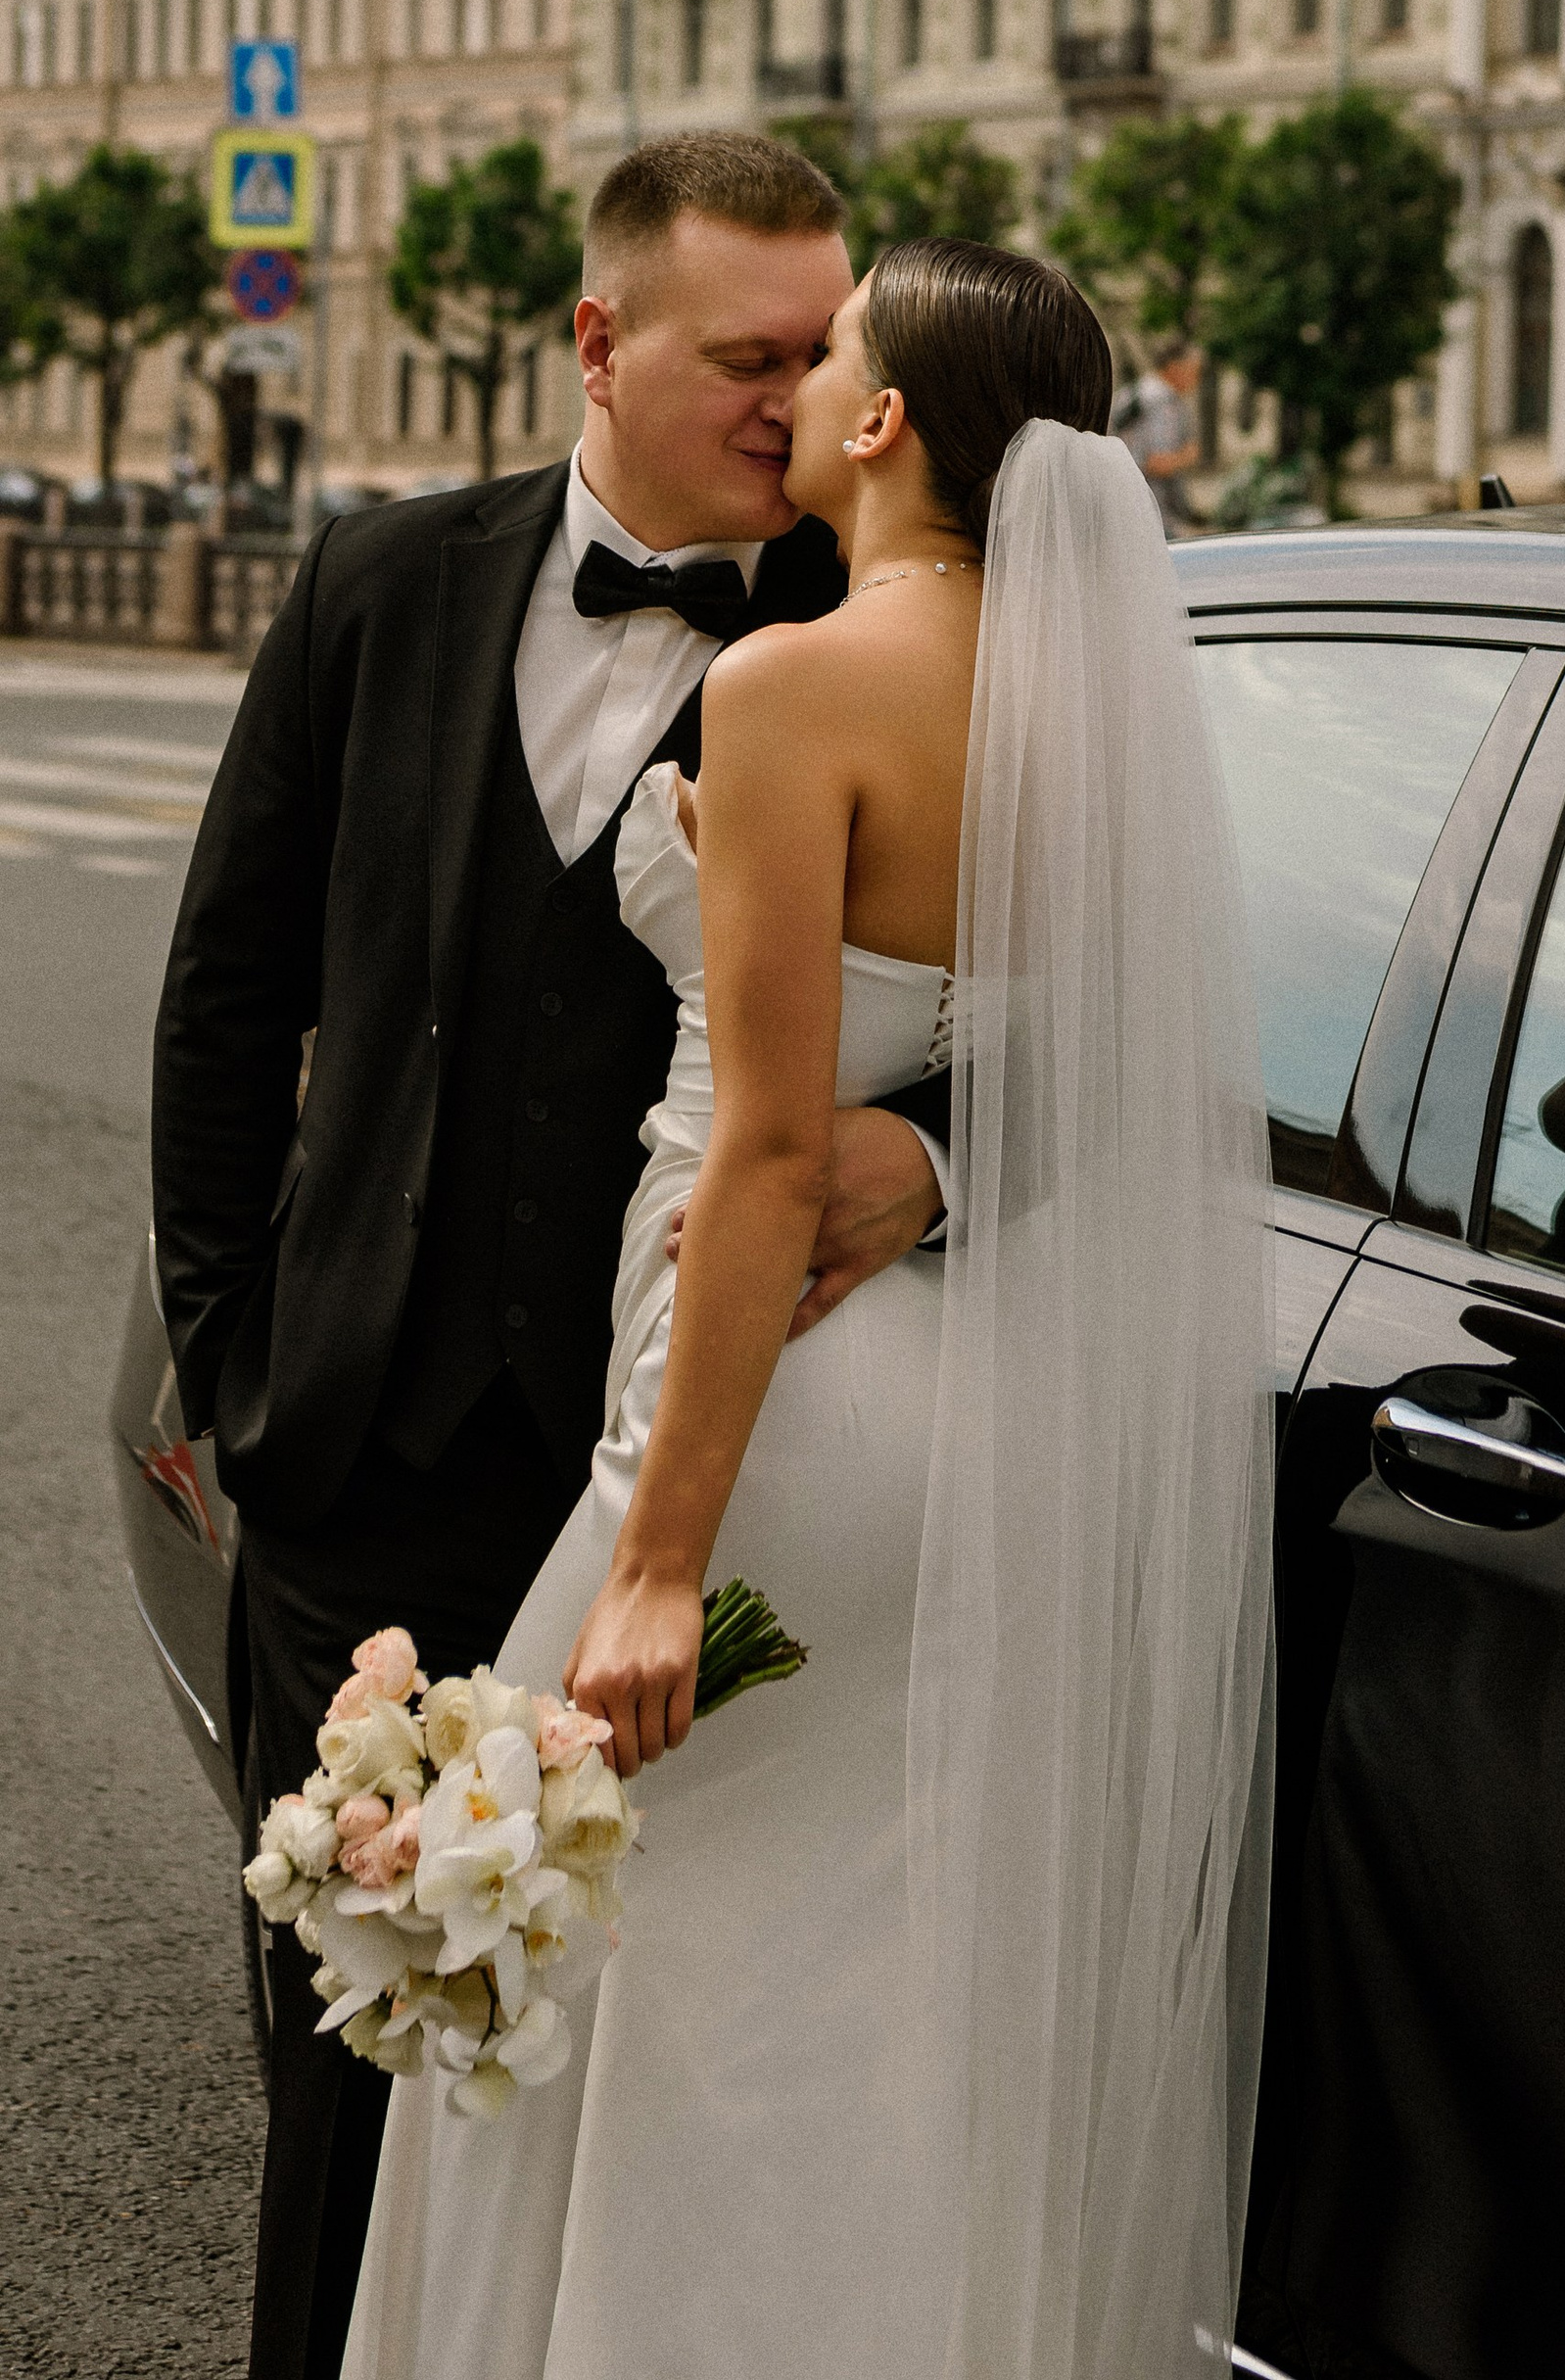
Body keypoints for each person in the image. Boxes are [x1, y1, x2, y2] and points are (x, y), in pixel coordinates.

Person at [342, 239, 1273, 2380]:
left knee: (646, 1954)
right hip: (1003, 1394)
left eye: (828, 356)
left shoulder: (789, 690)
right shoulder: (1094, 713)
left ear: (879, 426)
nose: (792, 392)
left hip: (785, 1398)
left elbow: (767, 1159)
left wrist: (662, 1560)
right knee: (893, 1979)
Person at [154, 132, 951, 2380]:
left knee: (656, 2082)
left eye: (825, 354)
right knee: (354, 2059)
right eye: (746, 356)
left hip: (682, 1480)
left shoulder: (878, 638)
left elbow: (1036, 1008)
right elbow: (227, 992)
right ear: (598, 343)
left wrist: (937, 1156)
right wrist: (233, 1365)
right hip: (358, 1466)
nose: (797, 405)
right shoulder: (377, 580)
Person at [1118, 332, 1204, 534]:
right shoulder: (1163, 403)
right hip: (1153, 513)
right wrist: (1187, 456)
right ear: (1175, 368)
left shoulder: (1134, 392)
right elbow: (1155, 462)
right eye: (1194, 371)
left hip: (1125, 507)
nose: (1196, 379)